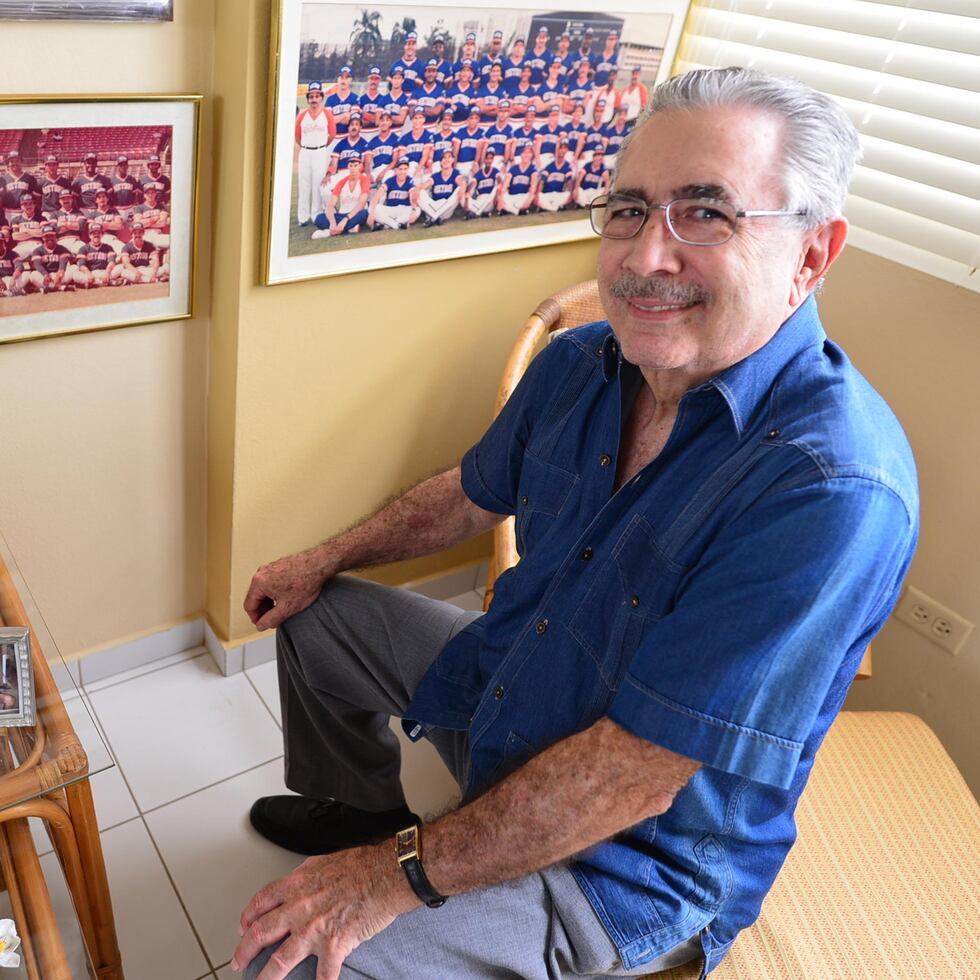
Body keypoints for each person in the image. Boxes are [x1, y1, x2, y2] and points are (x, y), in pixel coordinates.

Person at [234, 66, 918, 980]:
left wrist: (395, 878)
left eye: (706, 213)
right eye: (630, 209)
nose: (644, 258)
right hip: (514, 688)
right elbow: (472, 494)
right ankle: (358, 804)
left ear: (811, 254)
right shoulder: (581, 363)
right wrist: (326, 557)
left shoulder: (831, 489)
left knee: (285, 966)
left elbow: (630, 775)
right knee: (312, 618)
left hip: (626, 858)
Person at [312, 154, 370, 238]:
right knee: (319, 218)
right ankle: (347, 229)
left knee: (364, 213)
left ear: (360, 166)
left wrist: (345, 219)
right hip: (342, 214)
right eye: (351, 166)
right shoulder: (342, 182)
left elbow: (361, 205)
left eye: (355, 166)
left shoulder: (364, 180)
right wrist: (332, 223)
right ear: (348, 167)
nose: (353, 168)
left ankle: (329, 232)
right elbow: (330, 205)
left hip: (355, 214)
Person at [416, 149, 466, 227]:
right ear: (441, 161)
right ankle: (436, 218)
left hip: (446, 209)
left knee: (460, 188)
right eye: (444, 158)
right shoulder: (435, 176)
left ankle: (432, 218)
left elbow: (462, 183)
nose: (446, 160)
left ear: (453, 160)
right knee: (419, 191)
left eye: (449, 157)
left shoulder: (456, 174)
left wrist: (462, 189)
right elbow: (425, 184)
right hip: (433, 206)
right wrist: (417, 190)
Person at [368, 158, 416, 231]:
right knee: (372, 208)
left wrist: (413, 210)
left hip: (404, 210)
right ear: (396, 170)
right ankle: (398, 225)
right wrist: (371, 214)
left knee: (417, 210)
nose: (403, 171)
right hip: (390, 210)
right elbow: (377, 196)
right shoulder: (390, 181)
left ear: (408, 169)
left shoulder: (410, 180)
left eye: (405, 169)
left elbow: (412, 197)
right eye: (400, 169)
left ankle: (387, 225)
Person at [497, 143, 539, 215]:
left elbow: (533, 186)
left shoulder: (533, 168)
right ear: (521, 154)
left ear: (532, 155)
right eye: (524, 152)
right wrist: (502, 198)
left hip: (523, 197)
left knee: (533, 193)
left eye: (529, 153)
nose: (526, 155)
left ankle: (509, 209)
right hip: (512, 197)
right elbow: (505, 184)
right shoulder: (513, 168)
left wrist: (527, 203)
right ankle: (518, 211)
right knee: (500, 189)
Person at [0, 151, 40, 224]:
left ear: (21, 162)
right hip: (8, 212)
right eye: (11, 161)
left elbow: (36, 199)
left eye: (17, 161)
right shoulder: (3, 179)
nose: (15, 163)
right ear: (8, 164)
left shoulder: (30, 178)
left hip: (25, 213)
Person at [462, 147, 500, 218]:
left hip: (490, 200)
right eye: (487, 158)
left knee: (496, 188)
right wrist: (468, 194)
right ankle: (483, 213)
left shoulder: (496, 171)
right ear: (484, 159)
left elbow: (500, 183)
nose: (488, 160)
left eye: (491, 158)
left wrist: (497, 196)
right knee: (465, 199)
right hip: (480, 200)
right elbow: (473, 183)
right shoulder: (479, 173)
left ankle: (475, 214)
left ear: (493, 159)